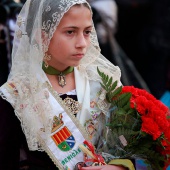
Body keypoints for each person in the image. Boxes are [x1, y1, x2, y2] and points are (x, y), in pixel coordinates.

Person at [0, 0, 135, 170]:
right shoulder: (17, 93)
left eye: (87, 32)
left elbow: (125, 143)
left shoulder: (102, 81)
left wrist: (119, 167)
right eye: (70, 32)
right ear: (41, 36)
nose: (82, 43)